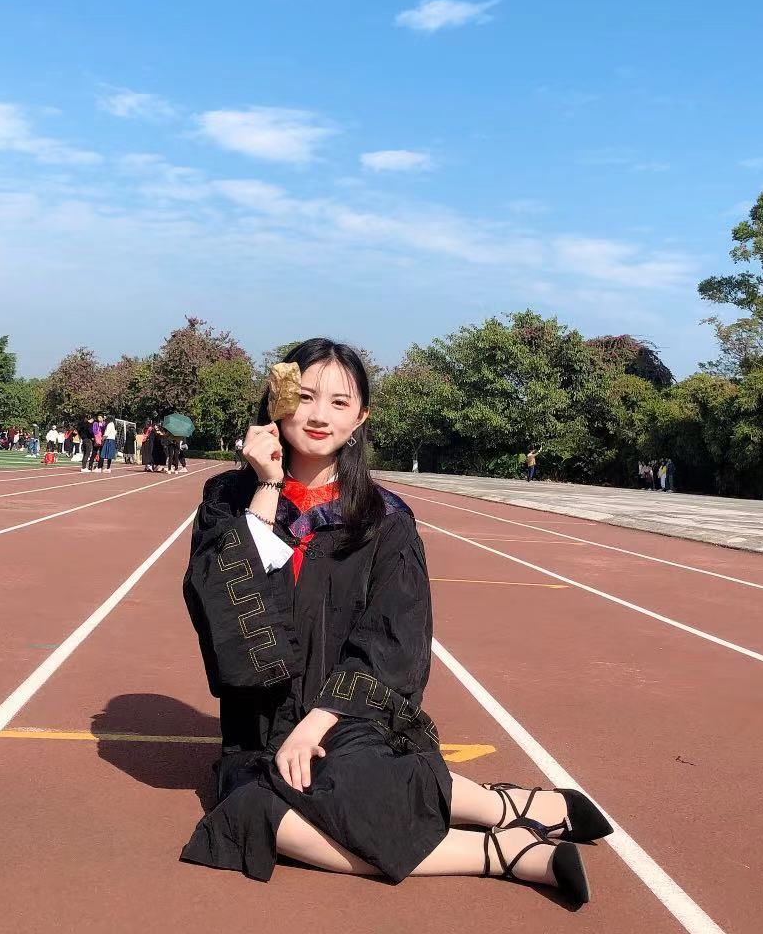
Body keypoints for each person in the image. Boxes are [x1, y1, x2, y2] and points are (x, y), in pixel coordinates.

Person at [179, 339, 605, 905]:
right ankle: (501, 847)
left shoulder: (383, 521)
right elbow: (224, 606)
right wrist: (267, 487)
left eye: (339, 402)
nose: (318, 415)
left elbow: (394, 638)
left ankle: (505, 817)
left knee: (348, 780)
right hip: (258, 721)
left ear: (360, 419)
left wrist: (319, 721)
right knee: (251, 807)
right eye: (304, 397)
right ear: (277, 402)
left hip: (346, 712)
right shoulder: (228, 500)